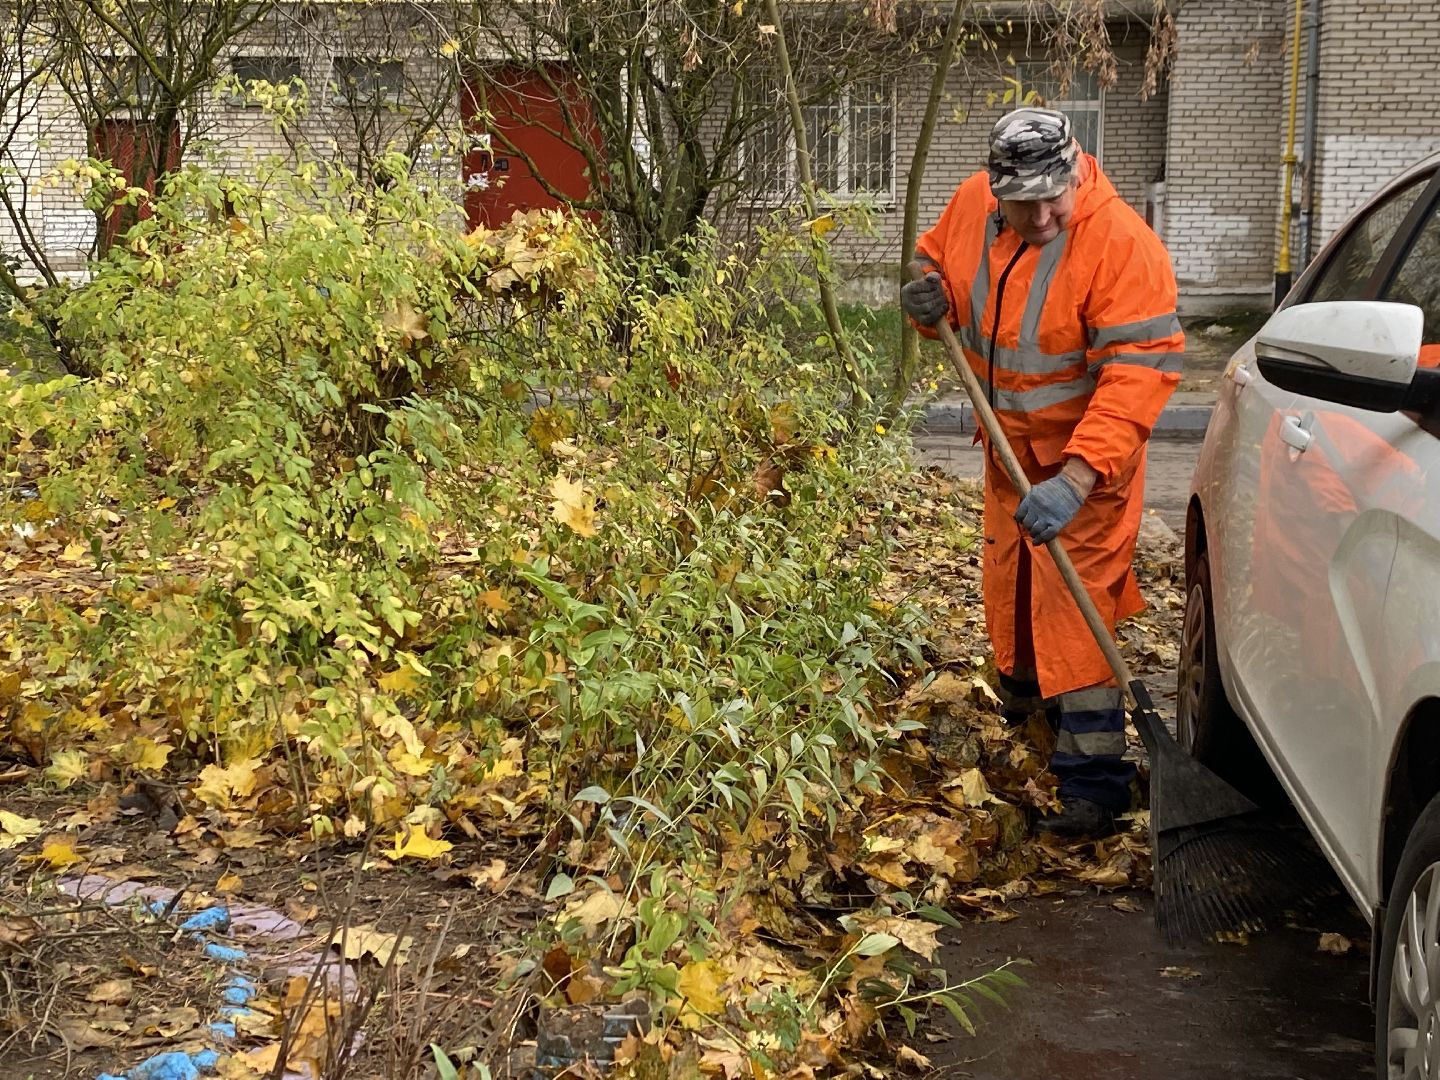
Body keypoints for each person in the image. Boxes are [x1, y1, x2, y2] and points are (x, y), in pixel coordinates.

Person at [901, 107, 1184, 839]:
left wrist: (1079, 476)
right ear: (996, 190)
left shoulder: (1124, 246)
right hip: (1008, 455)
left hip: (1087, 467)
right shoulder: (972, 205)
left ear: (1077, 170)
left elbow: (1136, 376)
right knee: (1013, 592)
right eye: (1022, 203)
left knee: (1071, 611)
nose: (1041, 215)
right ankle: (1031, 731)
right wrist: (926, 300)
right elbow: (937, 270)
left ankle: (1095, 787)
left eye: (1052, 197)